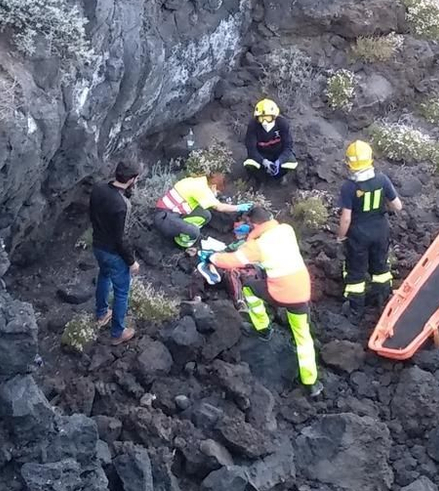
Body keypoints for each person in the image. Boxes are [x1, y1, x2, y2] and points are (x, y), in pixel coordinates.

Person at [209, 203, 319, 389]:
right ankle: (311, 383)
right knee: (303, 336)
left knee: (249, 288)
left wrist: (212, 257)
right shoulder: (286, 229)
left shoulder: (257, 246)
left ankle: (262, 328)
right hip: (301, 290)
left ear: (253, 225)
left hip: (280, 292)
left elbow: (233, 260)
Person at [336, 139, 402, 309]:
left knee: (356, 272)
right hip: (381, 230)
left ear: (349, 163)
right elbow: (397, 206)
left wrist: (341, 236)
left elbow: (346, 218)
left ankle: (355, 309)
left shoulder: (349, 187)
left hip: (358, 235)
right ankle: (383, 302)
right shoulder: (382, 179)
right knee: (380, 267)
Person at [87, 160, 143, 345]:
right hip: (112, 252)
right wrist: (131, 262)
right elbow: (121, 239)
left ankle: (101, 313)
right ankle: (118, 332)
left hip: (98, 246)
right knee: (121, 291)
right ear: (132, 180)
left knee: (104, 276)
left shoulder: (99, 188)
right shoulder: (122, 204)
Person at [151, 169, 247, 254]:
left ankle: (182, 231)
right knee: (194, 231)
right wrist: (238, 208)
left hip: (174, 213)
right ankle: (181, 245)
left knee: (205, 215)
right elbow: (219, 207)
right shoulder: (202, 189)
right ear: (214, 186)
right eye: (217, 192)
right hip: (164, 217)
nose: (216, 194)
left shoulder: (199, 181)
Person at [243, 99, 300, 181]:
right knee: (250, 163)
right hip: (262, 154)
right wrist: (264, 161)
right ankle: (260, 179)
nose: (265, 122)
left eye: (268, 118)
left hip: (278, 153)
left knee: (291, 163)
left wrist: (279, 161)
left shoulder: (282, 124)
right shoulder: (253, 125)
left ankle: (279, 177)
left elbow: (288, 146)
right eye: (261, 118)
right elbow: (251, 149)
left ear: (274, 117)